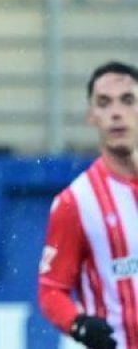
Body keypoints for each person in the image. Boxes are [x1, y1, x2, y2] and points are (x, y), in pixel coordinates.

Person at [37, 61, 138, 349]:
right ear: (91, 116)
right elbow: (51, 290)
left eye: (127, 100)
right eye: (104, 103)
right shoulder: (77, 202)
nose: (116, 112)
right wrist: (79, 324)